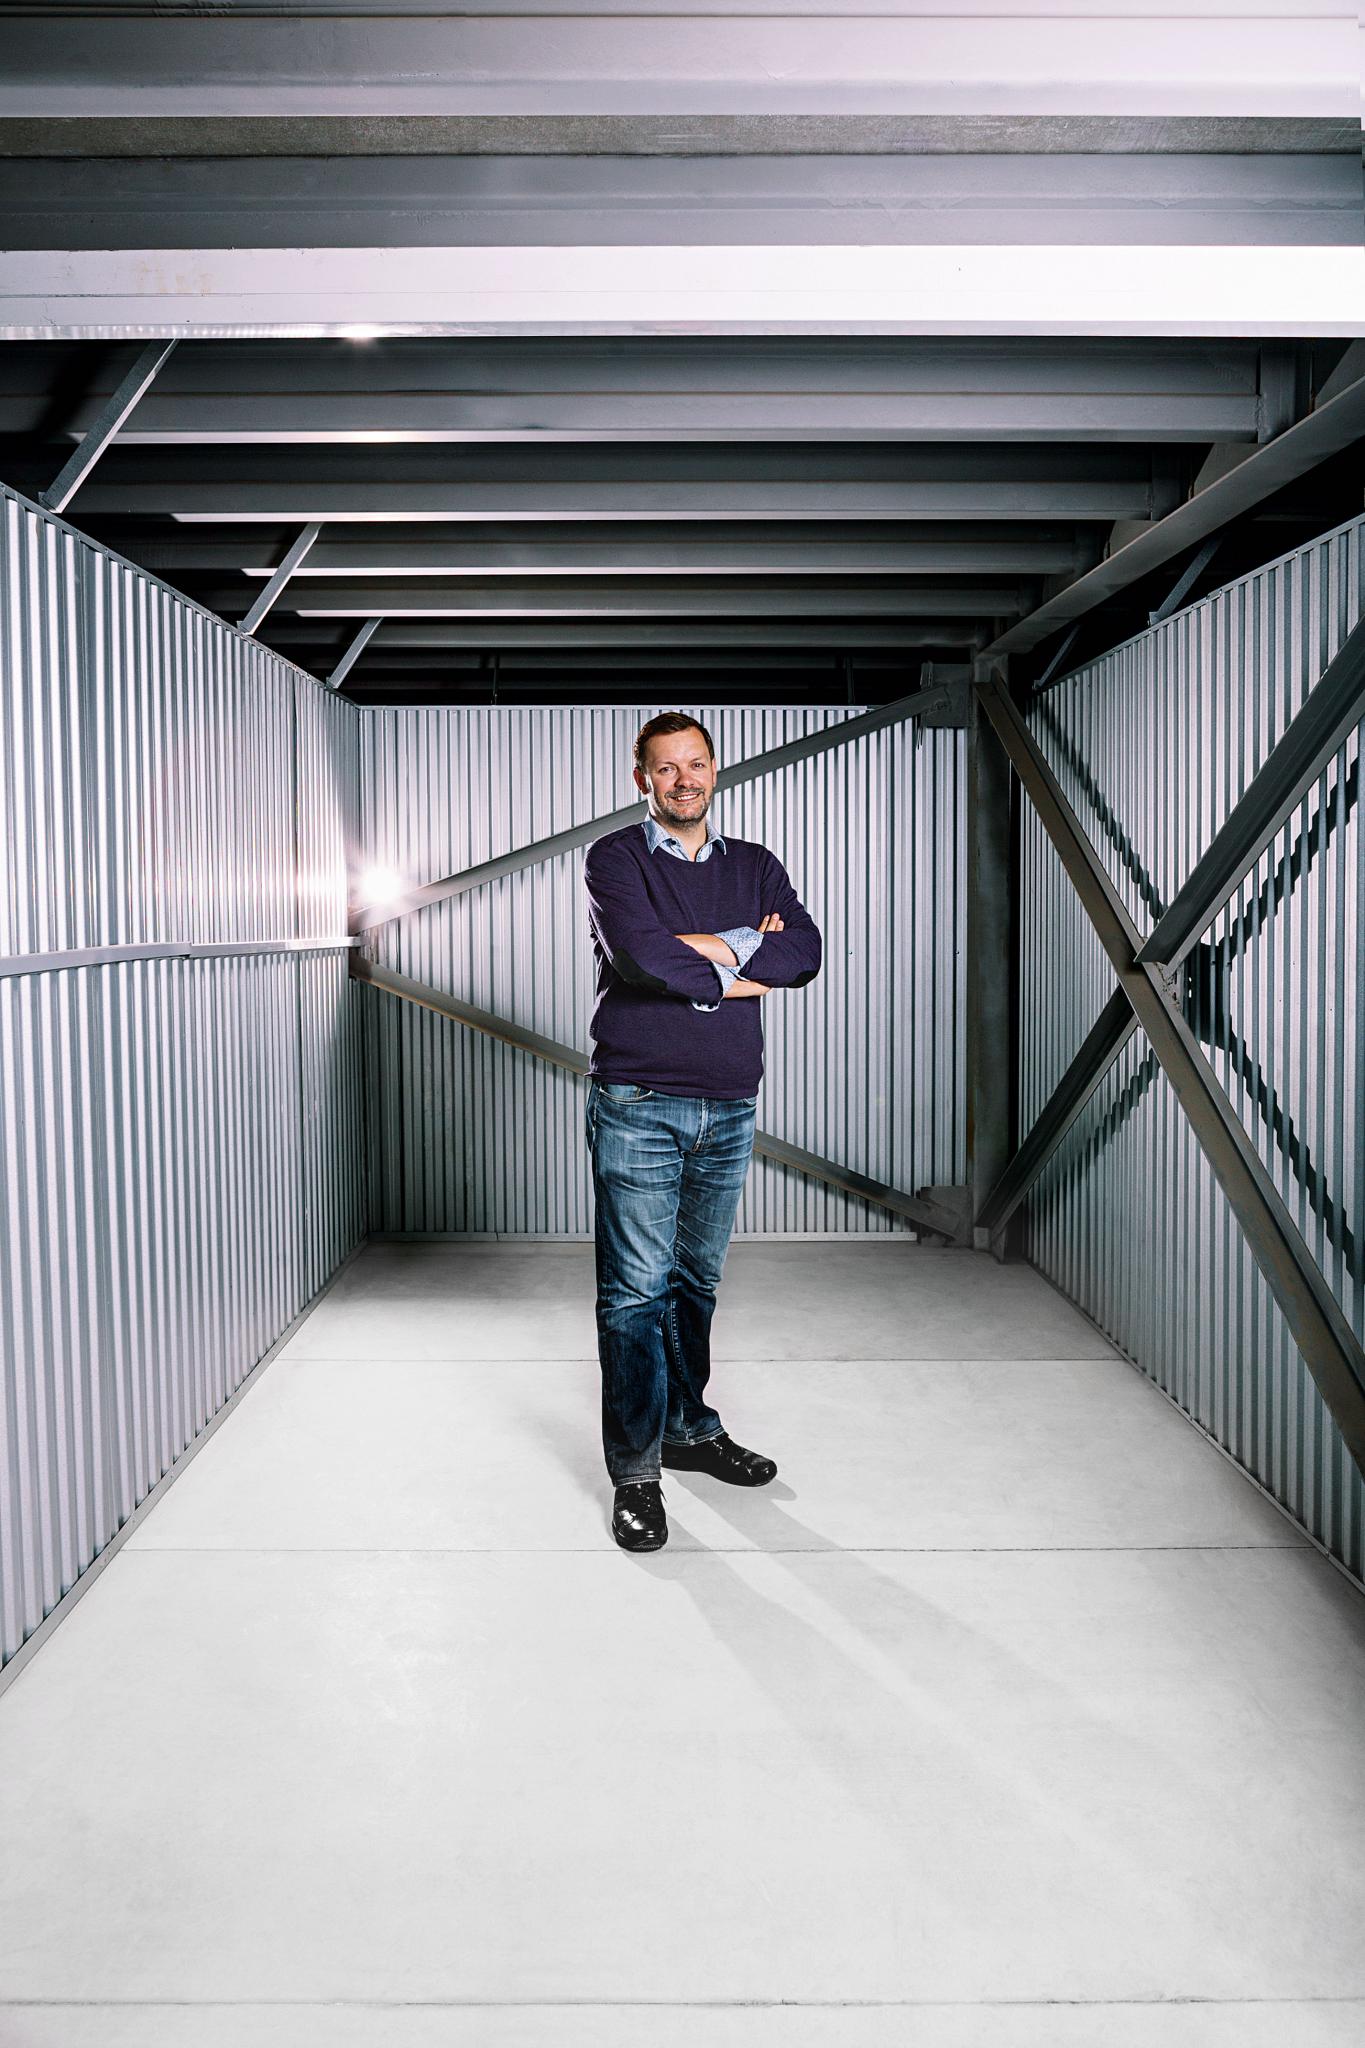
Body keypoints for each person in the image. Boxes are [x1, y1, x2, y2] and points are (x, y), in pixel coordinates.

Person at [582, 711, 823, 1552]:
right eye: (665, 768)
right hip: (639, 1100)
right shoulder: (615, 858)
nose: (683, 780)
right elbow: (639, 957)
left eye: (696, 764)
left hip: (728, 1101)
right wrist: (742, 956)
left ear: (714, 770)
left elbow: (803, 955)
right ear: (642, 779)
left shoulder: (754, 864)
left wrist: (698, 951)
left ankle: (688, 1430)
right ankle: (636, 1473)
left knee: (694, 1284)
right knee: (634, 1294)